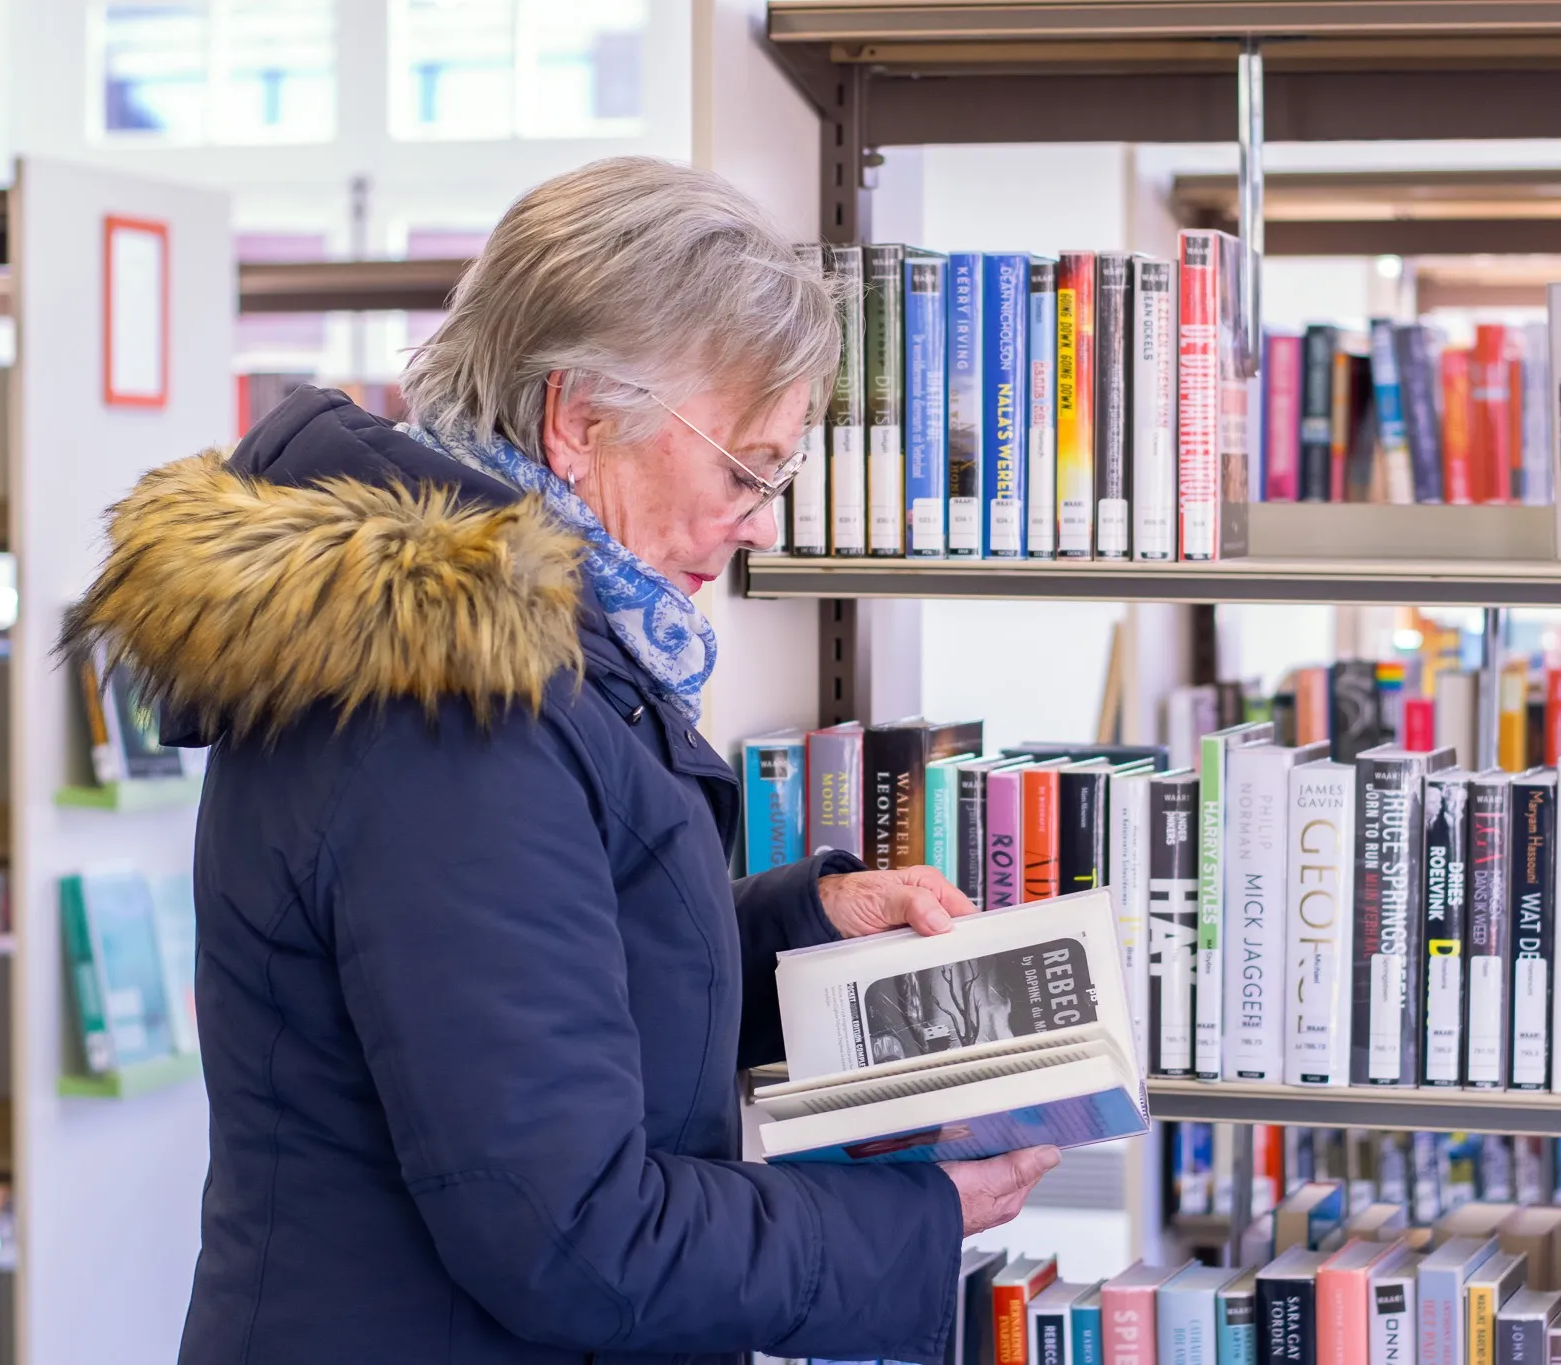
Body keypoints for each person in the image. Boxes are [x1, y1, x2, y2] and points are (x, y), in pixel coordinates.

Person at [62, 156, 1059, 1365]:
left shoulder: (516, 654)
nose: (760, 523)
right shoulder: (443, 706)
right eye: (747, 469)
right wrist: (918, 1218)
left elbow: (543, 994)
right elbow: (575, 1236)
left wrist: (808, 926)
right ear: (581, 422)